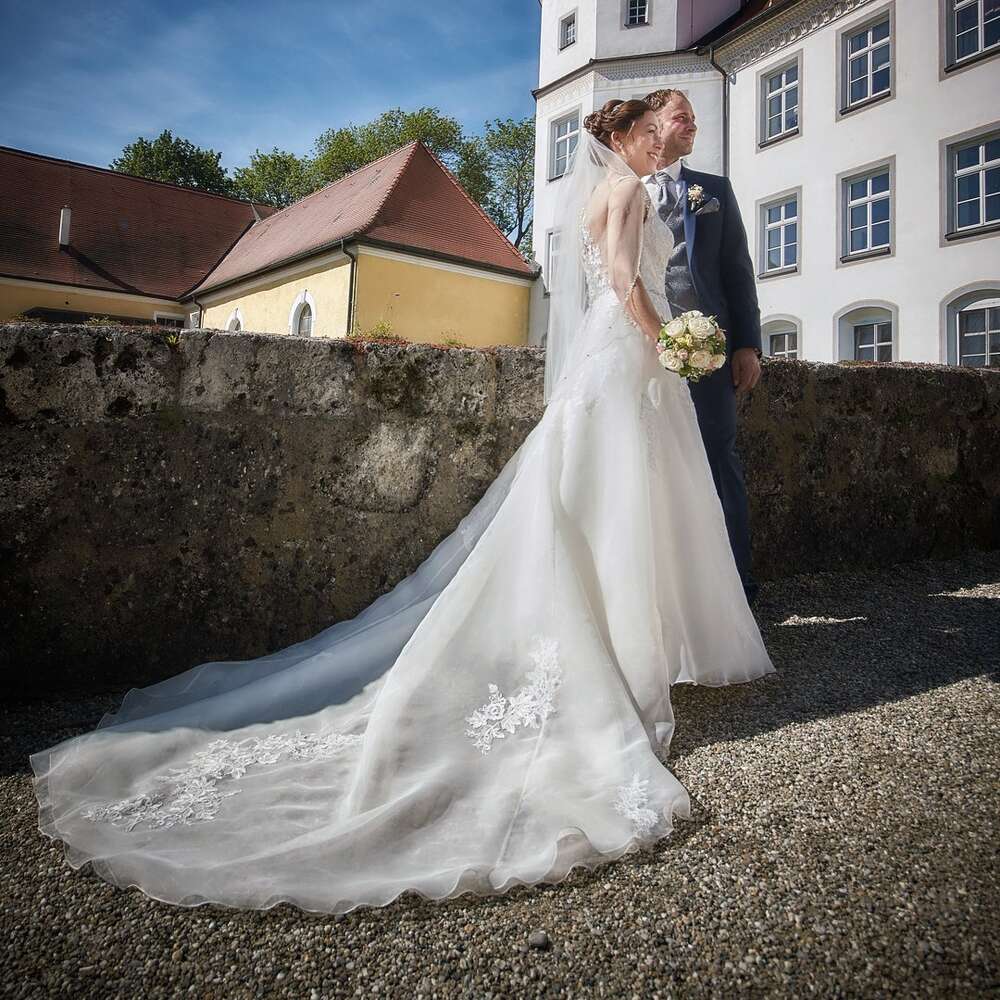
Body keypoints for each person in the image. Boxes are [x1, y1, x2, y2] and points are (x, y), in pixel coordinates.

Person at [30, 99, 775, 916]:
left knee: (589, 502)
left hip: (604, 362)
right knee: (618, 499)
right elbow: (630, 281)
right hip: (628, 354)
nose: (681, 130)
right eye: (668, 122)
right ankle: (621, 645)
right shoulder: (629, 192)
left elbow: (608, 280)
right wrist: (666, 341)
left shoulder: (599, 197)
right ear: (631, 136)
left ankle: (618, 633)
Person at [643, 88, 764, 606]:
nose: (693, 125)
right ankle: (664, 593)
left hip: (708, 351)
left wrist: (748, 345)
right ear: (653, 125)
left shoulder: (713, 189)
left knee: (719, 458)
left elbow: (738, 270)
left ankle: (736, 588)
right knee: (648, 464)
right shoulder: (623, 188)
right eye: (681, 117)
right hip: (641, 350)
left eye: (695, 118)